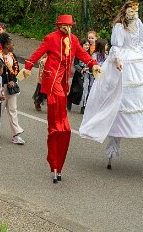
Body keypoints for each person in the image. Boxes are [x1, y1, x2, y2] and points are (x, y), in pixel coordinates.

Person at [79, 1, 143, 173]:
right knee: (121, 100)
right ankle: (113, 147)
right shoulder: (119, 26)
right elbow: (116, 46)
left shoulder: (139, 23)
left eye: (136, 11)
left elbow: (141, 40)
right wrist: (117, 60)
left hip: (140, 62)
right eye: (131, 10)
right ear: (125, 11)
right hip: (125, 61)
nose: (134, 13)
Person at [20, 14, 101, 183]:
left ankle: (58, 164)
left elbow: (82, 54)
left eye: (70, 25)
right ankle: (54, 159)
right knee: (56, 126)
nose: (68, 28)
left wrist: (93, 64)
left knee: (64, 129)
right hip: (52, 82)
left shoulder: (73, 39)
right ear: (59, 26)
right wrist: (27, 66)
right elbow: (38, 53)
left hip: (63, 83)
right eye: (65, 25)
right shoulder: (51, 38)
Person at [0, 33, 25, 145]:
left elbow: (16, 70)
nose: (13, 45)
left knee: (13, 110)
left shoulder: (12, 56)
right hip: (1, 88)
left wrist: (14, 81)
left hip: (12, 88)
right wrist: (3, 84)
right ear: (6, 45)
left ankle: (17, 134)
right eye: (12, 43)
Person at [66, 39, 91, 113]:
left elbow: (90, 63)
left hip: (86, 75)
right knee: (77, 90)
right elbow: (75, 64)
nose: (87, 46)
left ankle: (83, 107)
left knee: (85, 91)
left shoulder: (89, 54)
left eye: (88, 45)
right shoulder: (78, 54)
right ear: (81, 45)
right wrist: (81, 70)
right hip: (78, 75)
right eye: (85, 45)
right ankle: (69, 100)